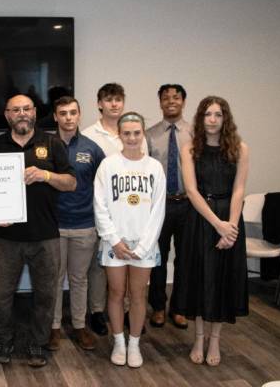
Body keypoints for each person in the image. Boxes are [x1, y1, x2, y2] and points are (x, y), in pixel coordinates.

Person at [0, 94, 76, 367]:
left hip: (45, 235)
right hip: (6, 238)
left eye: (26, 109)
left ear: (35, 112)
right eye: (16, 110)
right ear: (7, 115)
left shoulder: (53, 143)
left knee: (46, 294)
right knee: (0, 295)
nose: (22, 113)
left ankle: (38, 343)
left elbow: (71, 182)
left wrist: (46, 175)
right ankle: (3, 342)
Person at [179, 96, 249, 367]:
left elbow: (239, 190)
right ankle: (198, 338)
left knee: (222, 280)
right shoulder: (189, 149)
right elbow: (192, 191)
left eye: (218, 114)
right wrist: (217, 224)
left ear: (225, 119)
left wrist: (230, 227)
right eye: (207, 114)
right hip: (201, 219)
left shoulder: (240, 149)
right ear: (200, 118)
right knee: (200, 278)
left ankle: (215, 339)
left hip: (230, 218)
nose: (212, 119)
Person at [94, 112, 165, 368]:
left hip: (144, 245)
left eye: (137, 132)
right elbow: (99, 206)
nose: (132, 138)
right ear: (119, 135)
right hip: (115, 243)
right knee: (115, 292)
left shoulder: (154, 168)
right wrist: (113, 240)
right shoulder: (108, 165)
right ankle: (119, 342)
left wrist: (145, 245)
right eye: (127, 133)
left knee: (137, 294)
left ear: (143, 133)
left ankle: (134, 343)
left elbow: (158, 210)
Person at [82, 83, 146, 335]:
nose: (114, 104)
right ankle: (97, 311)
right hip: (102, 214)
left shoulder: (133, 132)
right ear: (99, 103)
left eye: (118, 99)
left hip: (132, 215)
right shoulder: (89, 135)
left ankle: (130, 310)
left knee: (131, 262)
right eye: (109, 100)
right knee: (100, 266)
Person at [48, 96, 105, 352]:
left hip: (84, 224)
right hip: (53, 226)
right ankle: (54, 327)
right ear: (55, 117)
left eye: (73, 113)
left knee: (79, 278)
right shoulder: (45, 145)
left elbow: (102, 189)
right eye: (63, 113)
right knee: (54, 279)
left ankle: (80, 326)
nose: (68, 118)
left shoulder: (92, 149)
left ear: (80, 115)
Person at [146, 84, 192, 329]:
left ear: (183, 101)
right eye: (166, 98)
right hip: (159, 205)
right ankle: (158, 308)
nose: (171, 101)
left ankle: (179, 308)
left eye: (176, 97)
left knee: (185, 259)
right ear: (160, 102)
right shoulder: (149, 135)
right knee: (158, 258)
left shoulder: (195, 134)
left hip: (188, 204)